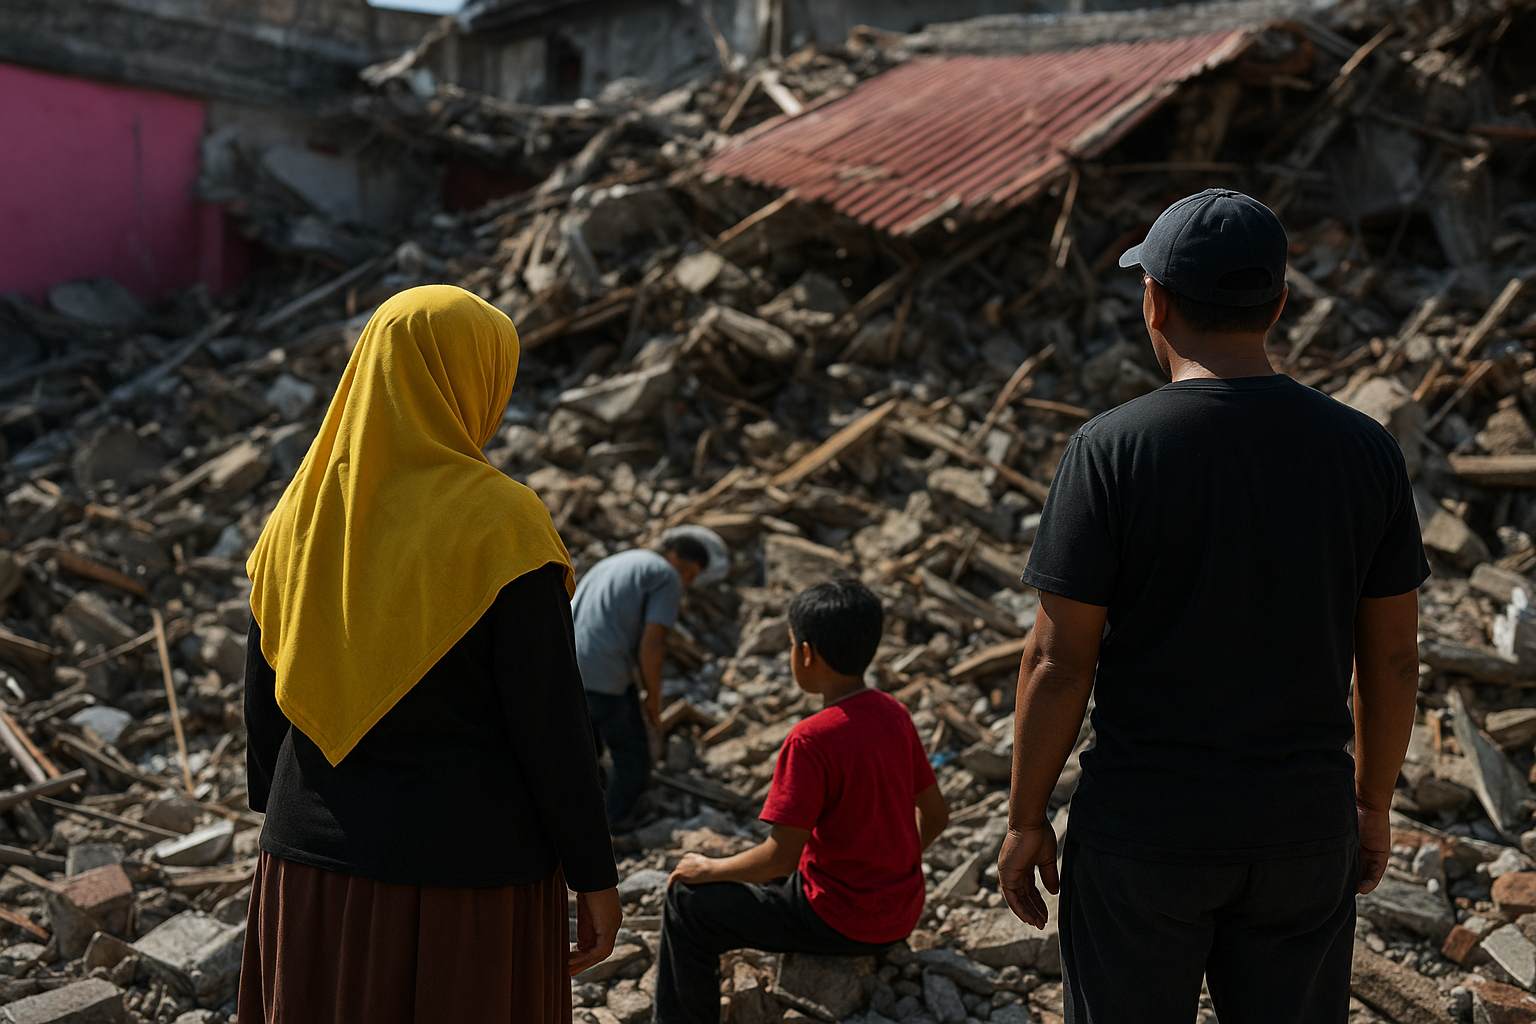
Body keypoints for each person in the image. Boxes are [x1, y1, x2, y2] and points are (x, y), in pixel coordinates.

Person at [996, 190, 1428, 1023]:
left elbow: (1057, 659)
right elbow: (1395, 658)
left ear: (1153, 301)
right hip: (1302, 827)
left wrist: (1025, 817)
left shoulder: (1109, 451)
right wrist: (1370, 803)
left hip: (1144, 833)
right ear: (1278, 305)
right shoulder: (1365, 451)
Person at [239, 285, 621, 1024]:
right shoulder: (500, 524)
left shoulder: (303, 511)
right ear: (469, 379)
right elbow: (550, 722)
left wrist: (292, 818)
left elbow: (266, 704)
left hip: (305, 869)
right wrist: (593, 874)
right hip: (464, 881)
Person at [656, 579, 949, 1024]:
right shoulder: (894, 713)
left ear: (807, 654)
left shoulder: (810, 739)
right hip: (902, 912)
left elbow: (779, 860)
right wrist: (891, 869)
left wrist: (708, 869)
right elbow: (938, 815)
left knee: (686, 904)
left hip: (838, 919)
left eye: (791, 646)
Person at [573, 538, 710, 828]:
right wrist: (653, 695)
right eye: (693, 573)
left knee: (584, 753)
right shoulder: (666, 575)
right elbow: (653, 641)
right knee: (633, 760)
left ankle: (573, 826)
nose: (689, 581)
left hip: (571, 667)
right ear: (677, 558)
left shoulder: (617, 562)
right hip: (605, 673)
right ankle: (607, 829)